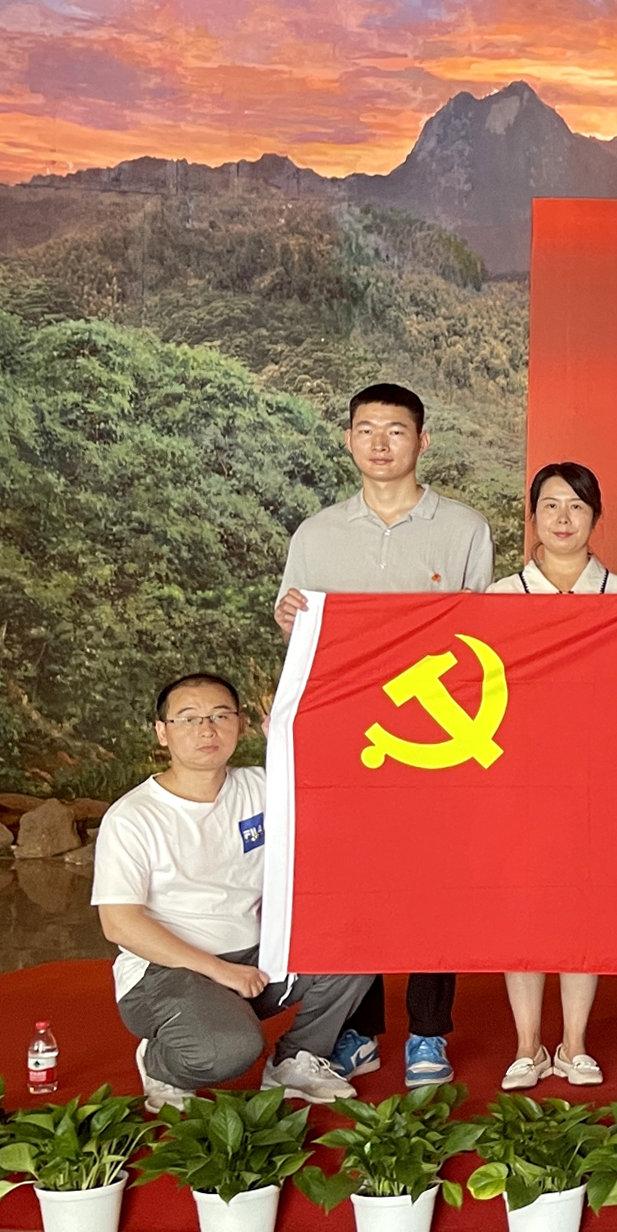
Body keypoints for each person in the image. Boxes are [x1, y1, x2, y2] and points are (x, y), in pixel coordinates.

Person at [273, 382, 492, 1089]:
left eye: (395, 430)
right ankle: (358, 1031)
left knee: (434, 883)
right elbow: (300, 638)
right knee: (355, 882)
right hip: (349, 739)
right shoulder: (316, 533)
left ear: (421, 441)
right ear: (348, 439)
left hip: (436, 738)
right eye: (365, 429)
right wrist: (291, 623)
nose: (379, 443)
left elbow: (482, 636)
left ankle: (428, 1033)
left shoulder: (463, 528)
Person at [93, 674, 376, 1110]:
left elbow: (341, 791)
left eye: (220, 716)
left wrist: (287, 736)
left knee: (360, 941)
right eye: (189, 719)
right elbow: (120, 924)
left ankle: (297, 1059)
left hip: (255, 957)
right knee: (231, 1050)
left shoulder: (262, 788)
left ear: (241, 725)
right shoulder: (133, 817)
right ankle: (160, 1062)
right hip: (165, 972)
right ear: (162, 732)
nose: (206, 730)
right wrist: (220, 971)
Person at [485, 463, 617, 1090]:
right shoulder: (500, 596)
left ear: (596, 516)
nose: (563, 518)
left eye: (577, 506)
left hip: (596, 775)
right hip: (518, 773)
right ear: (532, 516)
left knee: (583, 904)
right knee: (520, 905)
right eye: (550, 505)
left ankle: (574, 1042)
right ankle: (527, 1043)